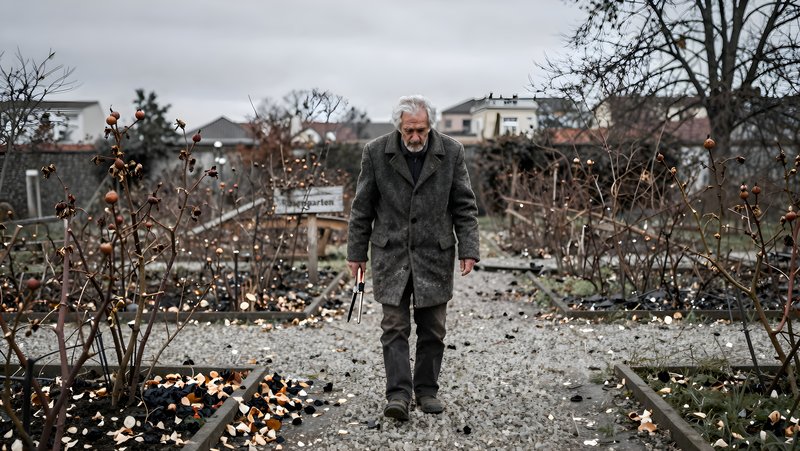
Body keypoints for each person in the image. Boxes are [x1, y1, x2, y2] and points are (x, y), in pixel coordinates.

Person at [347, 95, 480, 421]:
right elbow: (362, 207)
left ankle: (426, 391)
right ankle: (398, 395)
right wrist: (356, 253)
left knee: (433, 329)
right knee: (393, 327)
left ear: (429, 125)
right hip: (390, 254)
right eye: (410, 131)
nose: (416, 137)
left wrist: (469, 249)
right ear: (399, 127)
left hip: (434, 255)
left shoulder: (451, 151)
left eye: (421, 129)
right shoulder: (376, 152)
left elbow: (464, 204)